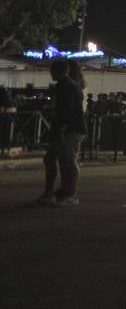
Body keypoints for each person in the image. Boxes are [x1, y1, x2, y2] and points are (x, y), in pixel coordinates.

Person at [30, 59, 86, 207]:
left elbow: (67, 110)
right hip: (68, 128)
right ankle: (59, 192)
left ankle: (68, 194)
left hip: (70, 129)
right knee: (57, 159)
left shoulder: (66, 86)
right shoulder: (69, 85)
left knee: (67, 160)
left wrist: (61, 127)